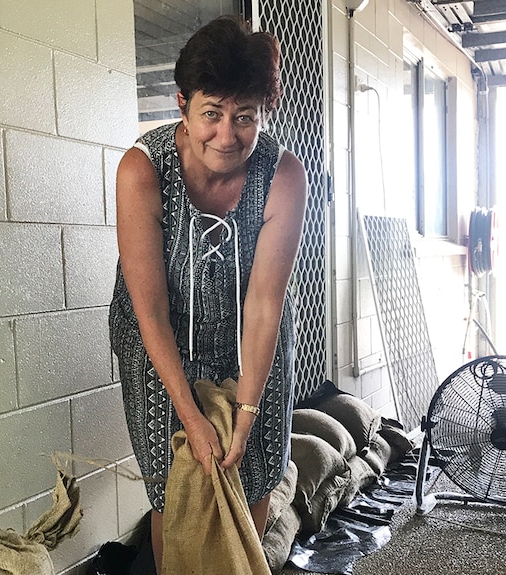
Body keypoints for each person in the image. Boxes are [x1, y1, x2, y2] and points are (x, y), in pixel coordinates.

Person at [108, 14, 307, 571]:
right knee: (173, 487)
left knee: (258, 471)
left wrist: (244, 413)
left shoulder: (283, 176)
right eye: (212, 114)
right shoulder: (142, 171)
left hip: (250, 334)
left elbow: (266, 302)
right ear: (182, 105)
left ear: (262, 113)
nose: (227, 135)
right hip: (157, 341)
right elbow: (149, 310)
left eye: (245, 117)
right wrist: (193, 419)